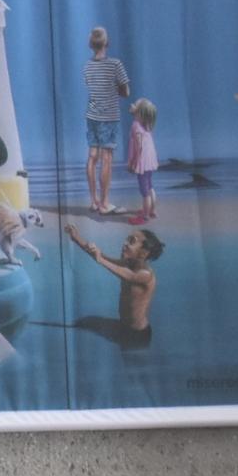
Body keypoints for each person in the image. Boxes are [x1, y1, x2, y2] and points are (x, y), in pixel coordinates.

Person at [63, 222, 162, 346]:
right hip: (124, 327)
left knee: (133, 362)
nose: (125, 243)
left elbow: (129, 275)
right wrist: (76, 238)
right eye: (127, 239)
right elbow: (101, 257)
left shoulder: (146, 275)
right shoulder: (127, 264)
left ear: (143, 253)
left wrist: (101, 259)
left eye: (131, 241)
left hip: (138, 334)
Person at [83, 27, 132, 215]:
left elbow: (92, 87)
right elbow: (126, 92)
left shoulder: (87, 66)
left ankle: (94, 201)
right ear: (106, 42)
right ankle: (104, 203)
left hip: (92, 115)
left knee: (92, 156)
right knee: (106, 158)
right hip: (109, 116)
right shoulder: (115, 64)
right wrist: (115, 90)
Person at [128, 98, 160, 220]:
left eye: (135, 104)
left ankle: (145, 215)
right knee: (150, 186)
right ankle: (152, 211)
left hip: (142, 160)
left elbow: (139, 146)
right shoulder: (146, 125)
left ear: (139, 112)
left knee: (144, 190)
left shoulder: (136, 125)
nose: (132, 104)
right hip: (150, 160)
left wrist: (134, 162)